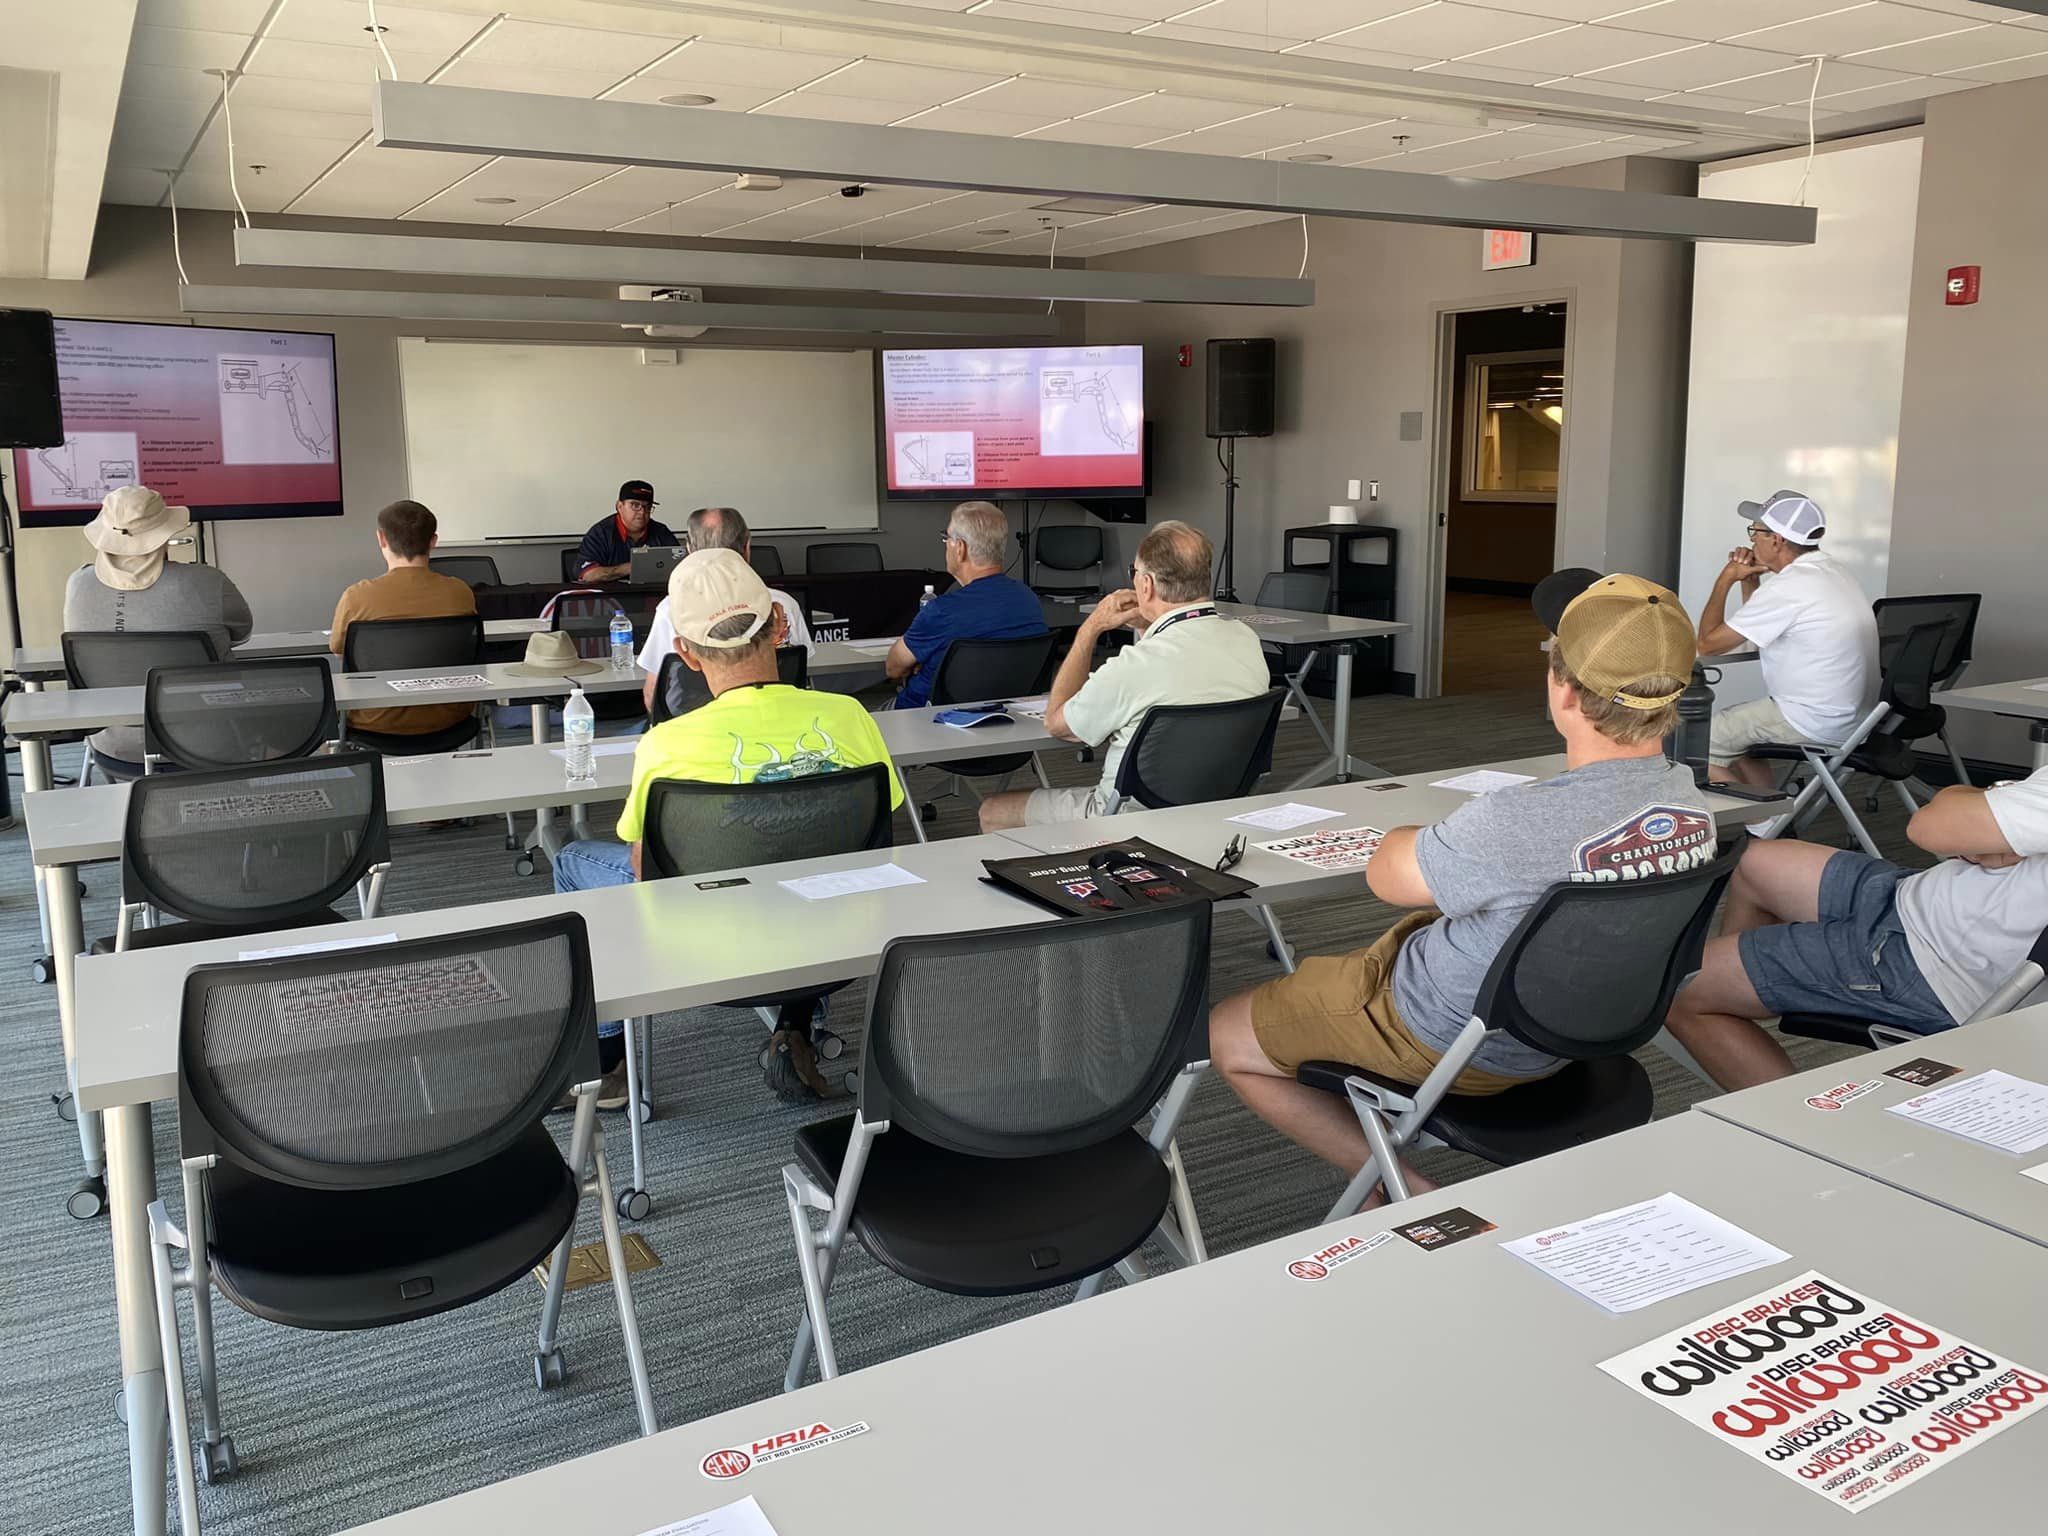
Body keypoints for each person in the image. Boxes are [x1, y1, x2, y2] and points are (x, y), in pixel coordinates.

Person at [1210, 570, 1714, 1195]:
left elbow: (1387, 876)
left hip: (1443, 1034)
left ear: (1562, 689)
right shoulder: (1690, 805)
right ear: (1671, 699)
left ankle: (1393, 1189)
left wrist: (1435, 831)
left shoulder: (1509, 822)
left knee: (1228, 1030)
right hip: (1583, 1029)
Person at [553, 548, 904, 1105]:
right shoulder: (850, 716)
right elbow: (878, 840)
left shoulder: (665, 745)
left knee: (571, 862)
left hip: (704, 952)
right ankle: (795, 1023)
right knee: (798, 859)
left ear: (687, 654)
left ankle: (607, 1066)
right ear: (781, 626)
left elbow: (647, 878)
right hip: (838, 938)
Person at [1666, 774, 2048, 1090]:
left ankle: (1795, 1132)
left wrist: (1987, 806)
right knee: (1753, 863)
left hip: (1930, 960)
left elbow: (1930, 824)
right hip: (1920, 896)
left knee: (1676, 988)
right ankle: (1741, 1006)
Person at [978, 520, 1268, 830]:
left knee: (993, 811)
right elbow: (1181, 672)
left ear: (1146, 585)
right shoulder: (1246, 639)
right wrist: (1148, 627)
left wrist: (1091, 628)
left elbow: (1058, 724)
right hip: (1216, 808)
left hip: (1128, 818)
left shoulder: (1134, 665)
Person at [62, 486, 253, 772]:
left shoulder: (77, 584)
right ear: (165, 535)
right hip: (209, 745)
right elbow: (242, 632)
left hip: (117, 749)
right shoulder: (207, 581)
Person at [1696, 490, 1879, 788]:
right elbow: (1759, 631)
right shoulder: (1832, 570)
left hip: (1814, 721)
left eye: (1755, 531)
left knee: (1700, 739)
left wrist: (1726, 578)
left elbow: (1707, 645)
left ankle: (1762, 827)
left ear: (1776, 540)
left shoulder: (1789, 586)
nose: (1752, 539)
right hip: (1856, 719)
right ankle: (1770, 813)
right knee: (1740, 733)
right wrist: (1751, 582)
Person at [637, 506, 812, 713]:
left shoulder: (672, 608)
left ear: (690, 550)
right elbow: (801, 680)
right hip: (776, 721)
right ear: (747, 547)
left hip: (692, 729)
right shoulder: (785, 604)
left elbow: (652, 695)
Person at [328, 500, 479, 738]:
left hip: (376, 720)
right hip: (450, 717)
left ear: (381, 539)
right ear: (433, 541)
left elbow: (339, 651)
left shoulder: (357, 596)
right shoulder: (459, 591)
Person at [886, 500, 1045, 709]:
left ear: (960, 548)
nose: (945, 543)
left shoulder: (941, 611)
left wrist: (921, 660)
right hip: (1006, 716)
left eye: (946, 538)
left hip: (928, 720)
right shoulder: (1028, 600)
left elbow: (894, 668)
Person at [576, 478, 678, 582]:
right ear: (619, 506)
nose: (642, 512)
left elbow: (681, 565)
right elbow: (588, 575)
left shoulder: (661, 532)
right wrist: (630, 568)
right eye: (635, 505)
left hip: (652, 594)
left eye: (647, 507)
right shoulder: (600, 534)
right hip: (612, 596)